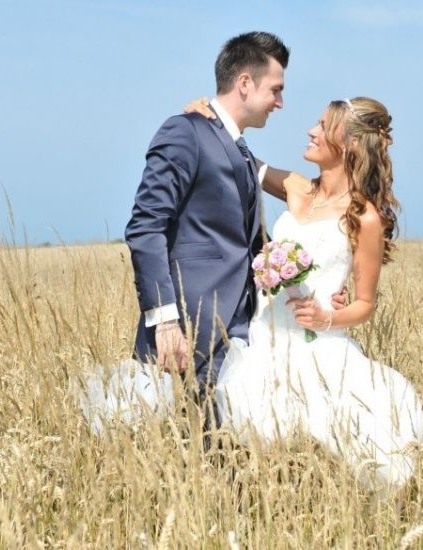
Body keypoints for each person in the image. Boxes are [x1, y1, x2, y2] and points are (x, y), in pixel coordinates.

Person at [183, 95, 423, 490]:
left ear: (347, 143)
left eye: (322, 126)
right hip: (264, 337)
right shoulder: (297, 188)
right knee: (245, 448)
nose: (311, 131)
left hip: (317, 346)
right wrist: (211, 116)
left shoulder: (364, 217)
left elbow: (365, 303)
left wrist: (326, 317)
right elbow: (243, 159)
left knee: (319, 447)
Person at [123, 31, 289, 392]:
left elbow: (251, 244)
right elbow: (146, 227)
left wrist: (312, 287)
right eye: (275, 89)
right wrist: (165, 320)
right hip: (190, 329)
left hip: (242, 330)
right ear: (245, 83)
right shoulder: (184, 132)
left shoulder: (241, 150)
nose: (280, 102)